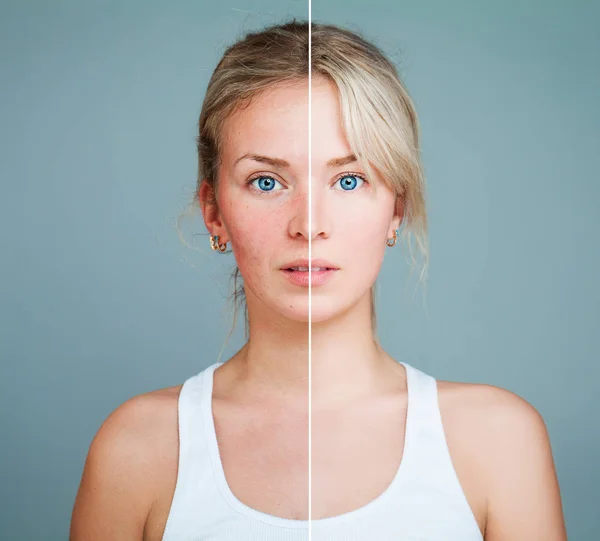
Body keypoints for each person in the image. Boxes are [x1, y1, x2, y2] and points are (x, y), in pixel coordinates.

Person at [70, 20, 568, 541]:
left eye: (348, 180)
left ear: (396, 208)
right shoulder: (137, 450)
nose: (309, 224)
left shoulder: (498, 442)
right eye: (267, 181)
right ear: (213, 210)